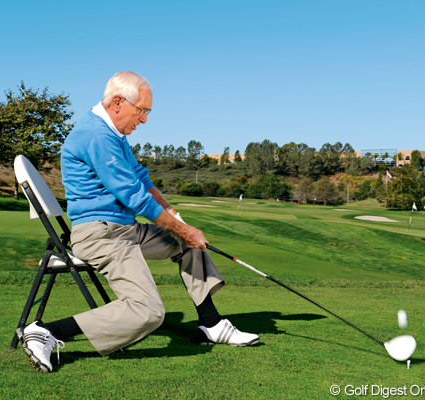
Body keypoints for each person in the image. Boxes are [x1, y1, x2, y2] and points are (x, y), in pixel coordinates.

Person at [16, 71, 260, 373]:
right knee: (149, 311)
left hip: (124, 229)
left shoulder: (114, 135)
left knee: (187, 244)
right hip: (100, 235)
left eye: (147, 112)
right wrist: (183, 228)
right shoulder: (97, 136)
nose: (143, 120)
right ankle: (48, 332)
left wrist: (175, 217)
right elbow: (135, 197)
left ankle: (211, 324)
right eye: (141, 111)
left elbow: (142, 179)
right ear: (118, 102)